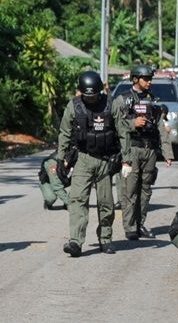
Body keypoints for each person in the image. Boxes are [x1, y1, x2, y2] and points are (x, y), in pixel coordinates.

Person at [57, 71, 131, 257]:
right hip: (83, 158)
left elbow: (123, 132)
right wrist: (61, 158)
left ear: (100, 91)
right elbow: (64, 133)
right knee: (77, 199)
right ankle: (75, 241)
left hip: (106, 160)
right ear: (80, 92)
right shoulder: (73, 106)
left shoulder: (111, 104)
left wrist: (126, 159)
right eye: (87, 95)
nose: (91, 99)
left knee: (106, 202)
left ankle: (105, 239)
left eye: (94, 95)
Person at [115, 65, 174, 241]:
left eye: (150, 79)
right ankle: (130, 226)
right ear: (135, 79)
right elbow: (116, 125)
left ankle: (140, 224)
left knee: (146, 190)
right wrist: (133, 124)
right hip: (132, 149)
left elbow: (160, 128)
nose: (149, 82)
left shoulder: (153, 100)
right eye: (145, 79)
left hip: (150, 150)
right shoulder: (122, 100)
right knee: (130, 190)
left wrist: (167, 152)